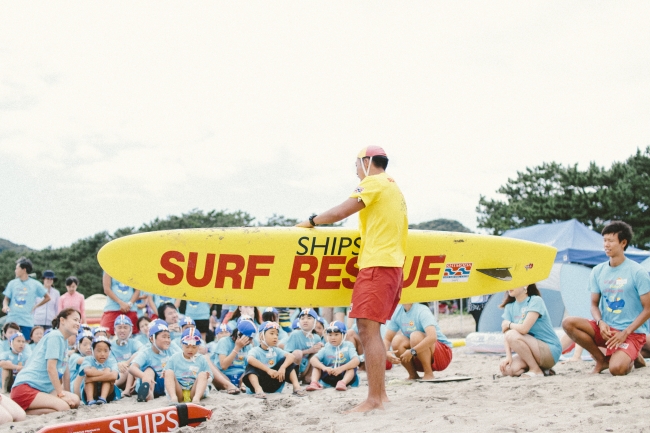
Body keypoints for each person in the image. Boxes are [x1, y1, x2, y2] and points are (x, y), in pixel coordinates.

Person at [295, 146, 407, 412]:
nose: (355, 170)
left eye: (356, 164)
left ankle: (374, 399)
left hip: (378, 265)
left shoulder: (374, 182)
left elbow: (341, 212)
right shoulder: (393, 187)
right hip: (391, 265)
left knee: (367, 330)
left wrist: (311, 221)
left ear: (367, 162)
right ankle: (381, 396)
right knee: (371, 330)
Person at [563, 221, 650, 376]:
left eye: (611, 241)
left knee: (617, 369)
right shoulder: (598, 271)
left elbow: (648, 309)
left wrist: (626, 332)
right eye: (604, 240)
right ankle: (601, 360)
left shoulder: (638, 272)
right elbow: (594, 305)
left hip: (631, 332)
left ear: (623, 243)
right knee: (568, 323)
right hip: (607, 330)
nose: (606, 245)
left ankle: (633, 355)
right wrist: (600, 322)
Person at [10, 308, 81, 414]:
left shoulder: (64, 340)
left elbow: (66, 370)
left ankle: (26, 409)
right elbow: (51, 368)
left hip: (42, 389)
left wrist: (66, 393)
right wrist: (61, 395)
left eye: (79, 321)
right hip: (26, 387)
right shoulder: (55, 336)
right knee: (64, 407)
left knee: (75, 400)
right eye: (75, 320)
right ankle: (23, 411)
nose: (78, 324)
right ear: (62, 320)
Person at [499, 284, 562, 377]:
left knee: (511, 334)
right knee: (507, 370)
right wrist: (508, 357)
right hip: (531, 350)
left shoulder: (535, 300)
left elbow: (524, 329)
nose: (510, 286)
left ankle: (535, 370)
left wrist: (508, 324)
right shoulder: (510, 307)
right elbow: (506, 336)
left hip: (549, 350)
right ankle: (543, 370)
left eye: (514, 283)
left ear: (525, 285)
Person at [384, 303, 453, 380]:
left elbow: (432, 337)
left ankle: (428, 374)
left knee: (415, 336)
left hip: (442, 354)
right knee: (397, 340)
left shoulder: (422, 310)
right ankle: (413, 375)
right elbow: (387, 339)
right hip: (418, 356)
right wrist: (385, 352)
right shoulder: (397, 312)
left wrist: (412, 352)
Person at [242, 321, 305, 398]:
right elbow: (250, 359)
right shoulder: (255, 350)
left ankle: (296, 387)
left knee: (288, 362)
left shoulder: (276, 350)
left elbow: (291, 356)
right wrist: (268, 370)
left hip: (274, 384)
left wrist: (283, 367)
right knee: (251, 365)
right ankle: (258, 390)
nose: (275, 337)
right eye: (272, 333)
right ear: (261, 336)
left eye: (277, 334)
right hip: (259, 383)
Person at [129, 321, 177, 402]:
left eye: (169, 337)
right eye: (164, 337)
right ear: (152, 339)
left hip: (168, 383)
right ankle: (148, 394)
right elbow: (132, 368)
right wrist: (143, 376)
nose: (167, 340)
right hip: (152, 382)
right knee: (149, 370)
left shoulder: (171, 350)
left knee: (171, 371)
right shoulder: (146, 352)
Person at [3, 257, 51, 337]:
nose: (15, 270)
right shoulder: (12, 283)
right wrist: (5, 306)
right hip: (12, 320)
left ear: (24, 270)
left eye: (17, 268)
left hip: (27, 321)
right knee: (10, 344)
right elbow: (6, 299)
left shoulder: (35, 284)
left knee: (24, 344)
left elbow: (47, 297)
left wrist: (35, 306)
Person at [307, 321, 360, 391]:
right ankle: (314, 382)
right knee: (317, 366)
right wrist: (324, 368)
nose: (333, 338)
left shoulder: (348, 345)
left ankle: (342, 383)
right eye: (330, 335)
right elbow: (313, 359)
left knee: (352, 367)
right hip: (329, 375)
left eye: (336, 334)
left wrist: (341, 368)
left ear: (343, 335)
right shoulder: (326, 347)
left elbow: (356, 360)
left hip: (344, 376)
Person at [164, 327, 212, 403]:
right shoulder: (174, 358)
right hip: (179, 390)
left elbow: (210, 377)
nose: (190, 350)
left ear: (198, 346)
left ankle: (196, 399)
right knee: (169, 372)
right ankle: (173, 398)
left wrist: (207, 377)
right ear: (181, 344)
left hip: (195, 390)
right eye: (187, 347)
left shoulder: (201, 359)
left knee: (203, 374)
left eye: (194, 347)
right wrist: (165, 374)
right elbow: (166, 374)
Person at [209, 320, 254, 394]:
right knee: (206, 359)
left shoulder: (249, 346)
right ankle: (229, 386)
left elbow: (248, 367)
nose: (249, 341)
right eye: (248, 338)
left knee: (253, 362)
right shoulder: (224, 341)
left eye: (251, 339)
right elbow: (223, 366)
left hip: (242, 378)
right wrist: (237, 348)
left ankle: (243, 385)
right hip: (224, 378)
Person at [284, 308, 324, 382]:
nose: (305, 320)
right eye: (302, 318)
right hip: (292, 370)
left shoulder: (316, 337)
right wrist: (308, 351)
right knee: (297, 353)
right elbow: (287, 355)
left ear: (315, 322)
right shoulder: (295, 334)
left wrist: (321, 348)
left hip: (306, 369)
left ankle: (308, 377)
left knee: (318, 351)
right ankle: (294, 378)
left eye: (309, 318)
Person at [80, 337, 119, 405]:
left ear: (109, 351)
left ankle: (103, 398)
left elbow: (114, 376)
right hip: (92, 391)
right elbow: (87, 371)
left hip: (108, 393)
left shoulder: (111, 360)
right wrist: (105, 374)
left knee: (107, 370)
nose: (102, 354)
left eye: (106, 351)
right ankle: (90, 400)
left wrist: (90, 379)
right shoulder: (88, 359)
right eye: (99, 351)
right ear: (92, 351)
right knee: (93, 370)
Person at [111, 315, 142, 396]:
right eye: (119, 327)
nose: (122, 330)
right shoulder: (110, 345)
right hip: (118, 374)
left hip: (132, 375)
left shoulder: (134, 342)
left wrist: (127, 362)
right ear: (115, 329)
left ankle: (130, 388)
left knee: (131, 367)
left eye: (125, 327)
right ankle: (112, 387)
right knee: (124, 370)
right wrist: (119, 364)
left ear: (130, 329)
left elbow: (142, 351)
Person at [70, 331, 94, 397]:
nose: (89, 347)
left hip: (88, 385)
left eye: (91, 344)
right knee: (86, 369)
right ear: (78, 346)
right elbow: (83, 361)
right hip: (74, 387)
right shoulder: (74, 356)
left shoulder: (93, 357)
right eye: (85, 344)